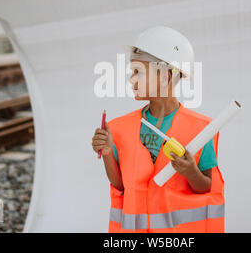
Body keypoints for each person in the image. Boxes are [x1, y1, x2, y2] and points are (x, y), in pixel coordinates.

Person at [91, 26, 225, 233]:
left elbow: (207, 186)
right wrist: (108, 153)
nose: (131, 80)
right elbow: (120, 186)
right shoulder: (119, 129)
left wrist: (191, 172)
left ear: (165, 77)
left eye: (138, 72)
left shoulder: (201, 129)